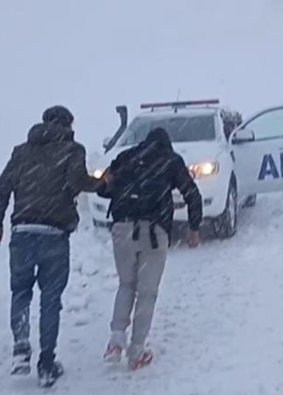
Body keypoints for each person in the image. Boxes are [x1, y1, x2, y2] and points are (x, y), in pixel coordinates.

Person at [0, 105, 104, 387]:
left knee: (21, 291)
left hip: (22, 231)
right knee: (50, 299)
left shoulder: (21, 151)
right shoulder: (72, 149)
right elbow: (77, 181)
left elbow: (1, 187)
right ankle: (47, 363)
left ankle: (21, 349)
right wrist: (102, 182)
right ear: (68, 124)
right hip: (54, 233)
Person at [97, 127, 203, 370]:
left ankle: (115, 341)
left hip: (122, 229)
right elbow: (192, 194)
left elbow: (102, 188)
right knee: (147, 292)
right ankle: (136, 352)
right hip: (154, 232)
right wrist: (193, 228)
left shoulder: (126, 157)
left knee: (126, 284)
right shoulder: (171, 160)